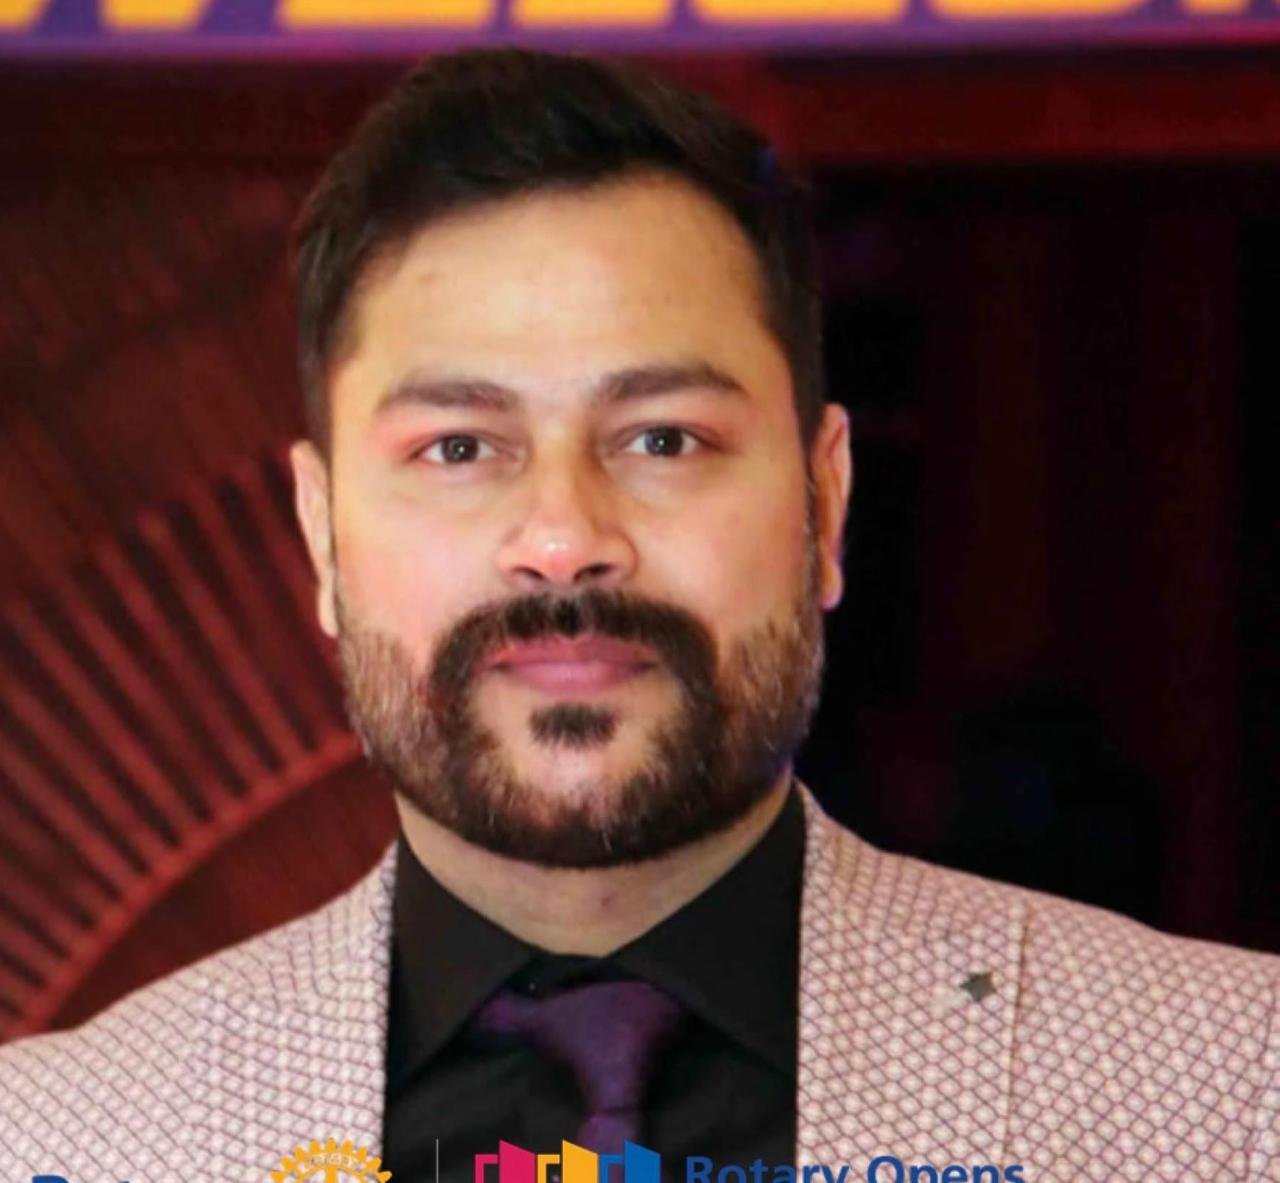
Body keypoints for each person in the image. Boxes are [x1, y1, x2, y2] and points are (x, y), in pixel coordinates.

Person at [0, 48, 1275, 1183]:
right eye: (459, 447)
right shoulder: (56, 1140)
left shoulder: (1232, 1096)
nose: (564, 539)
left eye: (662, 437)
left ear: (824, 505)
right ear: (323, 536)